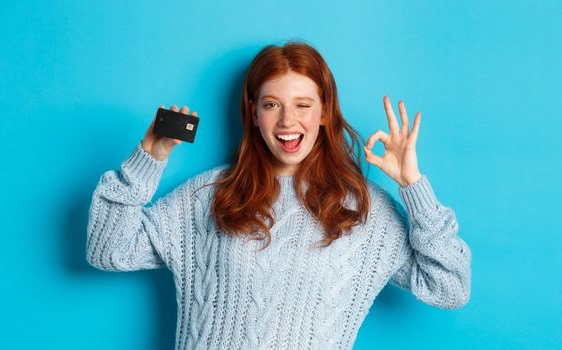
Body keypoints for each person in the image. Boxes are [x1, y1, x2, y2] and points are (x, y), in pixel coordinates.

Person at [86, 40, 471, 350]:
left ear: (324, 112)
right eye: (272, 105)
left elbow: (450, 287)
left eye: (303, 105)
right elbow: (108, 250)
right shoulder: (208, 195)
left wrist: (413, 185)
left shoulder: (363, 210)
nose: (288, 121)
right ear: (254, 113)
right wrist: (148, 158)